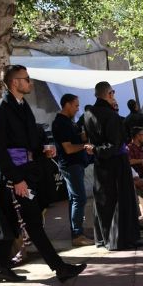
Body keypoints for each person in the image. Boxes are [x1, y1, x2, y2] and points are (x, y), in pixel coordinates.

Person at [0, 65, 86, 282]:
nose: (30, 82)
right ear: (15, 83)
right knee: (32, 223)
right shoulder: (0, 110)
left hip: (27, 174)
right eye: (27, 79)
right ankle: (60, 268)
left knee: (8, 227)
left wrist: (43, 148)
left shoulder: (23, 107)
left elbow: (32, 137)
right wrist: (16, 179)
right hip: (13, 179)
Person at [83, 81, 143, 250]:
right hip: (116, 164)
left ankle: (103, 238)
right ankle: (120, 239)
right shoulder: (110, 115)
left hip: (101, 162)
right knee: (118, 200)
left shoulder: (88, 113)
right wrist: (98, 149)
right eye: (113, 93)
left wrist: (95, 149)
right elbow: (114, 144)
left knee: (104, 200)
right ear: (109, 94)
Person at [51, 94, 92, 247]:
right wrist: (85, 146)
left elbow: (77, 138)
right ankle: (77, 234)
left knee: (74, 199)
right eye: (75, 105)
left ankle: (77, 231)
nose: (77, 109)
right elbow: (68, 149)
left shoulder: (69, 122)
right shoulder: (60, 123)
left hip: (75, 164)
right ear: (67, 104)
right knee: (79, 198)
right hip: (70, 164)